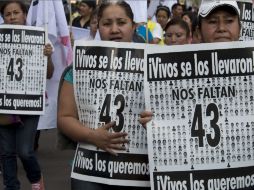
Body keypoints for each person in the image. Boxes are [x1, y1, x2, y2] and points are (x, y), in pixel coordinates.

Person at [58, 1, 149, 190]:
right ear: (98, 27)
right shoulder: (78, 67)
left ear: (134, 26)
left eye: (121, 22)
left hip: (140, 169)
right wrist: (92, 136)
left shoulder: (156, 65)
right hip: (90, 168)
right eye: (107, 23)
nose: (114, 29)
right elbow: (65, 118)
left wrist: (155, 121)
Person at [139, 0, 241, 126]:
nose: (221, 28)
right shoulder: (169, 74)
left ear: (240, 28)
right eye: (213, 22)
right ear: (198, 32)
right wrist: (154, 126)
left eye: (229, 21)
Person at [0, 1, 54, 190]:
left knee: (24, 151)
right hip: (4, 103)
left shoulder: (39, 38)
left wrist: (47, 56)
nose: (12, 17)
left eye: (16, 12)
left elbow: (49, 74)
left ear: (25, 15)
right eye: (8, 14)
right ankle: (11, 186)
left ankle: (35, 177)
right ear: (3, 18)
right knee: (6, 152)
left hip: (29, 103)